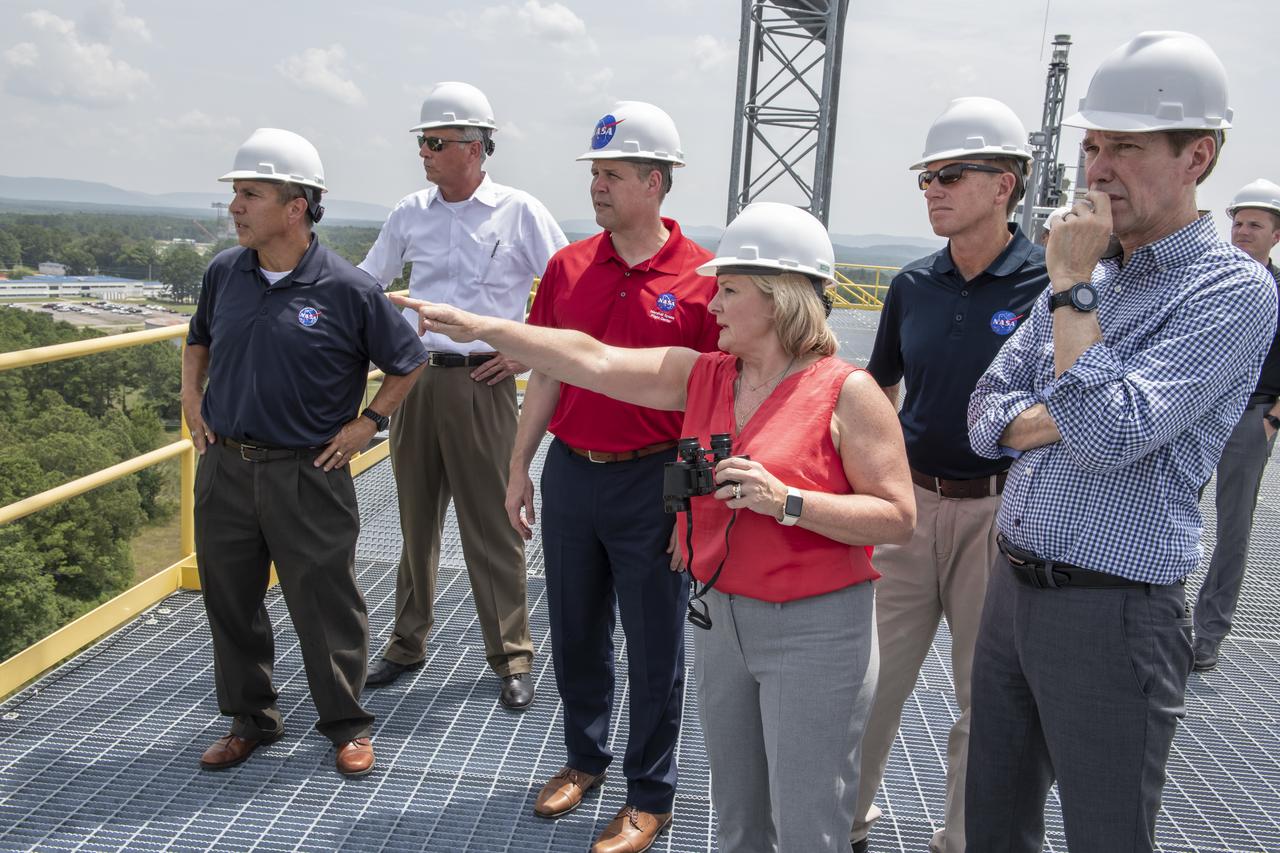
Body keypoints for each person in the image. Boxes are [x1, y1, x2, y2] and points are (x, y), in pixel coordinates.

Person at [395, 201, 915, 853]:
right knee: (737, 818)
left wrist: (787, 500)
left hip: (814, 627)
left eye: (728, 290)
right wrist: (480, 325)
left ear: (781, 299)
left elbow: (897, 516)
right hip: (725, 618)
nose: (712, 302)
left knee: (809, 820)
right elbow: (592, 359)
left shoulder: (847, 392)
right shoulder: (705, 376)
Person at [965, 32, 1278, 852]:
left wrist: (1069, 292)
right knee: (992, 827)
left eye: (1126, 147)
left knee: (1106, 834)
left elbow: (1110, 436)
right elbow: (984, 414)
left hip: (1114, 614)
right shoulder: (1096, 274)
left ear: (1196, 157)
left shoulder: (1229, 289)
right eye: (1092, 144)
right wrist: (1073, 387)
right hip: (1013, 594)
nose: (1097, 169)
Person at [505, 101, 720, 853]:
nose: (597, 186)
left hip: (656, 481)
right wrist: (519, 467)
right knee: (574, 630)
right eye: (595, 173)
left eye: (613, 173)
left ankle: (650, 792)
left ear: (656, 183)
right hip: (572, 474)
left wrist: (695, 507)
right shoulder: (568, 267)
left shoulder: (702, 281)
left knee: (656, 643)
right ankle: (583, 758)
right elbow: (549, 377)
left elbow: (713, 402)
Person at [182, 128, 427, 776]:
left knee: (325, 603)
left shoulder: (347, 288)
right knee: (229, 598)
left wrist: (368, 423)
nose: (235, 206)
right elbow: (199, 338)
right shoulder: (223, 273)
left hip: (307, 472)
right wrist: (190, 394)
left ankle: (346, 725)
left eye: (250, 193)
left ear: (296, 206)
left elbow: (408, 361)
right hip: (226, 466)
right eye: (235, 193)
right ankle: (249, 719)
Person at [853, 97, 1047, 853]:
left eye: (949, 174)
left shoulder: (1047, 287)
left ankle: (962, 840)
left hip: (1002, 516)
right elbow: (877, 391)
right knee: (867, 685)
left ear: (1004, 184)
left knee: (986, 699)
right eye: (927, 178)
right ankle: (845, 824)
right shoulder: (913, 285)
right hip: (909, 510)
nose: (932, 188)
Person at [358, 82, 567, 709]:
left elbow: (566, 287)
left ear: (474, 148)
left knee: (492, 523)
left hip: (484, 386)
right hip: (417, 382)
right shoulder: (409, 212)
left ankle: (511, 654)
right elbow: (368, 286)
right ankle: (405, 642)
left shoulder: (519, 212)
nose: (423, 152)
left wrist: (525, 349)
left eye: (434, 141)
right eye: (422, 142)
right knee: (415, 522)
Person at [1192, 178, 1280, 670]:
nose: (1243, 231)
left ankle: (1209, 632)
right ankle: (1165, 616)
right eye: (1238, 222)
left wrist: (1271, 420)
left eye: (1255, 225)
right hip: (1201, 415)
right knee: (1171, 508)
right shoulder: (1210, 285)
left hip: (1250, 418)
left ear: (1276, 235)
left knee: (1233, 529)